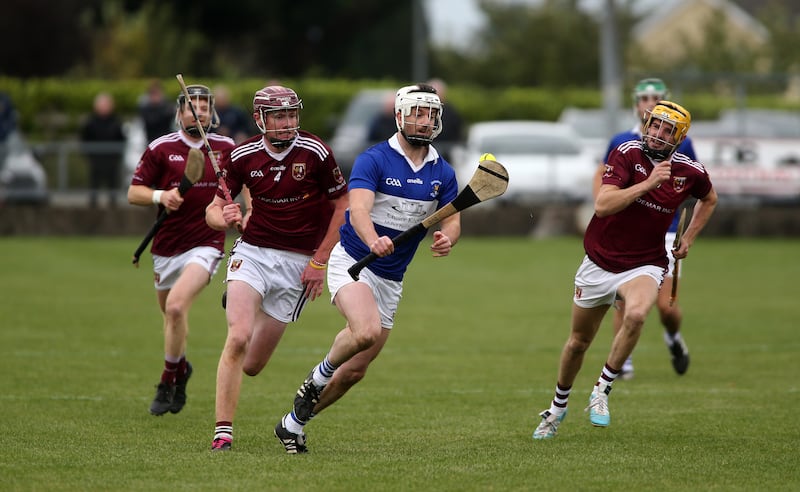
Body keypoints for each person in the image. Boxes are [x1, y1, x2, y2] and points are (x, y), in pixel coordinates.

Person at [272, 82, 461, 454]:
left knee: (355, 372)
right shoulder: (374, 158)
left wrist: (447, 238)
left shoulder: (444, 172)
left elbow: (451, 219)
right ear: (400, 115)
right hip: (356, 261)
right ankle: (317, 377)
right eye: (417, 113)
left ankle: (292, 424)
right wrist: (373, 237)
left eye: (431, 115)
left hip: (392, 277)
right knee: (365, 331)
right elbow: (357, 209)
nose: (424, 122)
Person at [532, 100, 717, 440]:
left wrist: (689, 238)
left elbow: (710, 198)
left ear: (679, 138)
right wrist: (648, 184)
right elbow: (602, 206)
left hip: (645, 262)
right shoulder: (625, 153)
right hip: (599, 262)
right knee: (578, 343)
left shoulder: (689, 171)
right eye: (654, 125)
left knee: (636, 316)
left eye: (667, 130)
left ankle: (602, 390)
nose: (657, 134)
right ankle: (556, 410)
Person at [206, 85, 349, 452]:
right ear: (260, 119)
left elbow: (342, 205)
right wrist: (224, 216)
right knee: (237, 336)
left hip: (298, 263)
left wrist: (319, 261)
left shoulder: (316, 152)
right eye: (278, 116)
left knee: (252, 364)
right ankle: (223, 432)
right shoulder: (242, 156)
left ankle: (246, 301)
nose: (287, 123)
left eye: (291, 115)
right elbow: (213, 209)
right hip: (253, 252)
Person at [127, 85, 236, 416]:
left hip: (206, 243)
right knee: (172, 318)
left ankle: (166, 379)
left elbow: (246, 190)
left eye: (204, 107)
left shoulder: (226, 148)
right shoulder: (162, 148)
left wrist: (242, 213)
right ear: (179, 113)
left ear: (212, 113)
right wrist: (162, 196)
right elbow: (134, 193)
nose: (198, 112)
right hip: (166, 246)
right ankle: (182, 368)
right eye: (192, 107)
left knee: (175, 308)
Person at [593, 78, 697, 380]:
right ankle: (622, 362)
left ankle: (673, 338)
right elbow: (602, 177)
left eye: (656, 98)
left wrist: (686, 235)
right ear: (636, 105)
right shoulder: (621, 141)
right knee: (624, 303)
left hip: (665, 233)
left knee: (666, 308)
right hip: (626, 234)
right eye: (644, 99)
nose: (649, 103)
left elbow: (696, 189)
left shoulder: (684, 142)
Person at [81, 92, 126, 208]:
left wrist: (117, 154)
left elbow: (122, 139)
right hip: (96, 159)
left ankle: (113, 205)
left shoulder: (116, 121)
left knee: (113, 183)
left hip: (112, 159)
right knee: (94, 184)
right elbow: (84, 139)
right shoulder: (90, 122)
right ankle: (92, 206)